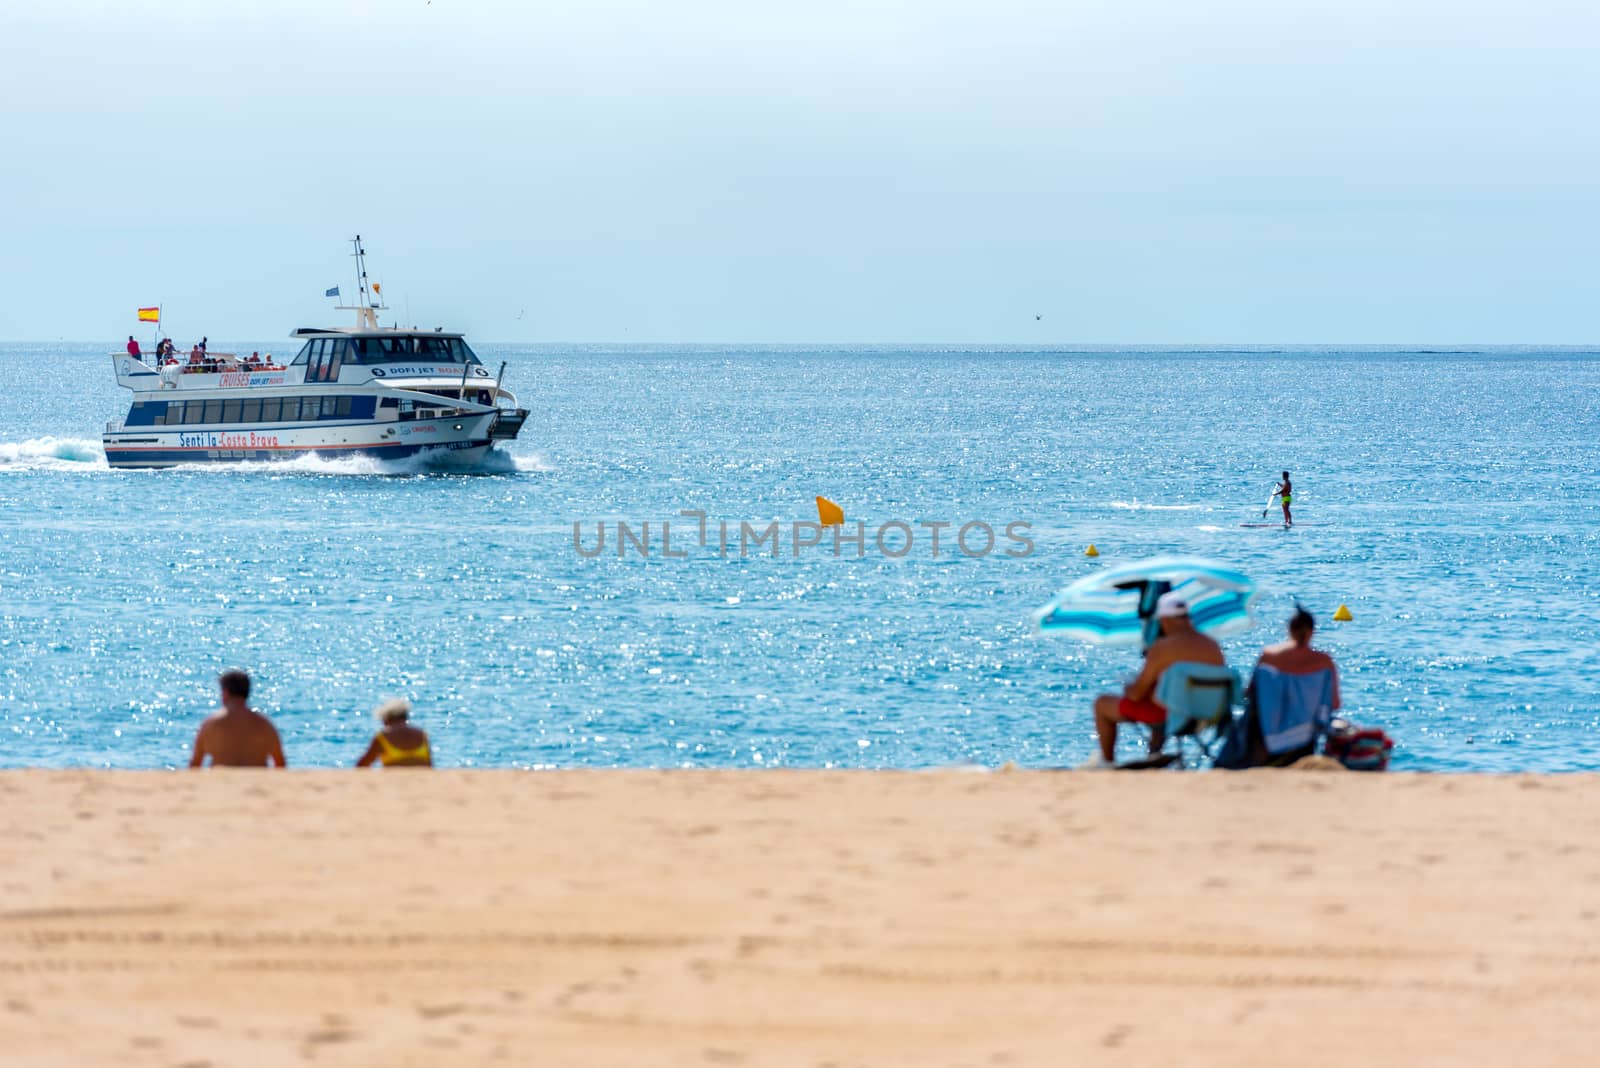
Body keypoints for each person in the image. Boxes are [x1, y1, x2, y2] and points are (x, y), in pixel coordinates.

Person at [1086, 592, 1227, 767]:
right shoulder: (1212, 646)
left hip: (1170, 717)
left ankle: (1107, 763)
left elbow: (1137, 694)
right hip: (1206, 717)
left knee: (1102, 704)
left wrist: (1129, 687)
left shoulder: (1163, 648)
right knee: (1165, 696)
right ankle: (1154, 753)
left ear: (1165, 620)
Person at [188, 670, 287, 768]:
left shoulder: (211, 724)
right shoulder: (265, 724)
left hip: (221, 782)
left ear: (225, 693)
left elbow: (195, 764)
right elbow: (280, 764)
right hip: (255, 781)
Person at [356, 699, 433, 768]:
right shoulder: (422, 734)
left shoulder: (383, 736)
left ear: (387, 719)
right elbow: (429, 765)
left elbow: (362, 765)